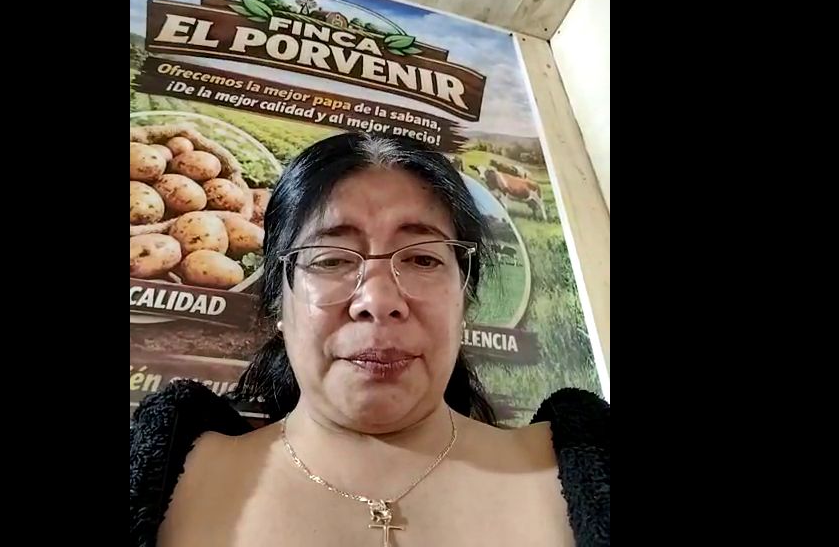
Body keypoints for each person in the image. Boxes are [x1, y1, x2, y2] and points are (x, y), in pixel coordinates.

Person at [130, 132, 609, 547]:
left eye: (422, 259)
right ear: (278, 302)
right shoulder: (171, 474)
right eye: (331, 259)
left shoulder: (585, 460)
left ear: (463, 297)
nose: (378, 301)